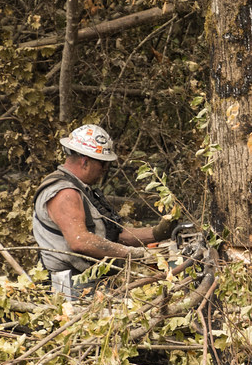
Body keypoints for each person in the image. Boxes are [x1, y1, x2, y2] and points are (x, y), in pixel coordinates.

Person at [32, 124, 174, 299]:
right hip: (70, 290)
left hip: (90, 282)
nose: (105, 170)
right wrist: (134, 254)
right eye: (103, 165)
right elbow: (81, 241)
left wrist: (157, 234)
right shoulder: (64, 193)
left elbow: (113, 234)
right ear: (85, 161)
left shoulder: (82, 189)